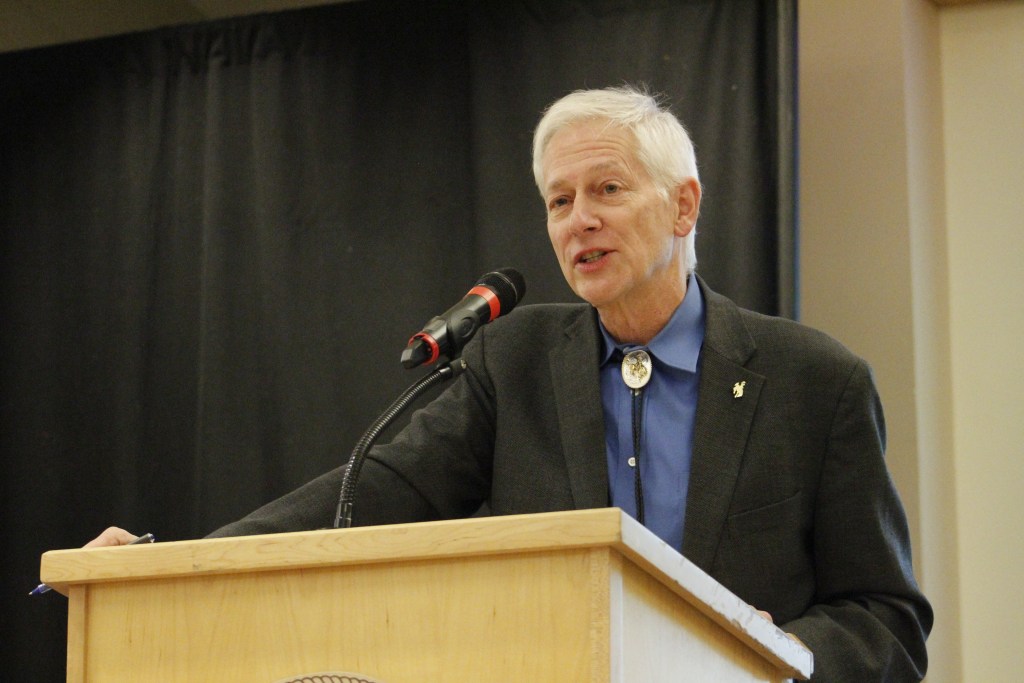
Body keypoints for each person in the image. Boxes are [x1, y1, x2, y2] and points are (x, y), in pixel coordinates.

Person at [90, 85, 932, 680]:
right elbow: (365, 496)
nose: (579, 220)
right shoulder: (517, 359)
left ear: (683, 207)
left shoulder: (814, 381)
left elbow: (886, 619)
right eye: (559, 201)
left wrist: (769, 656)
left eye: (606, 189)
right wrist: (179, 563)